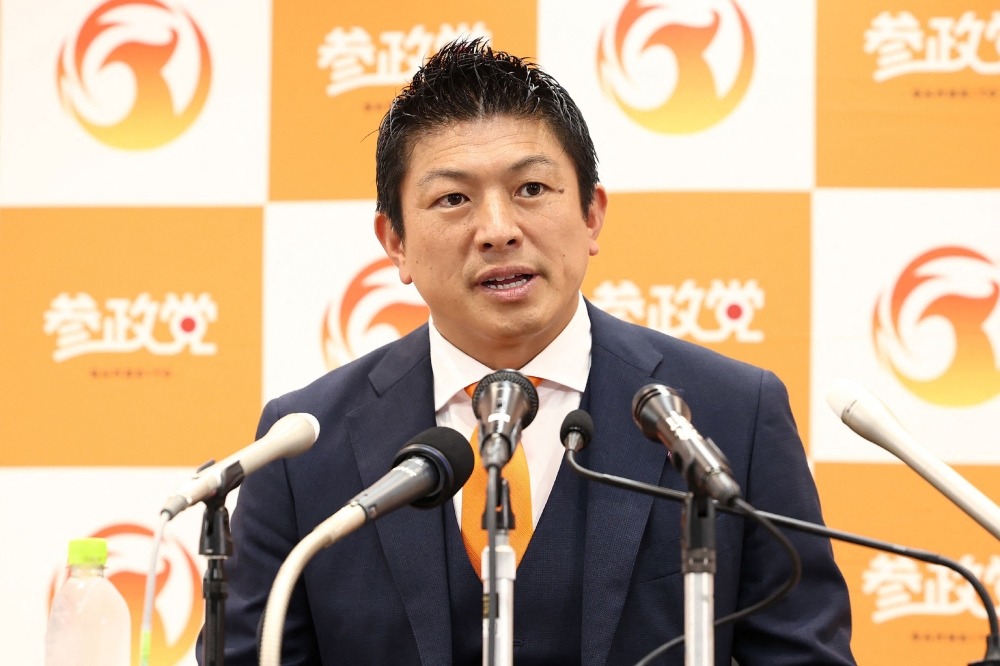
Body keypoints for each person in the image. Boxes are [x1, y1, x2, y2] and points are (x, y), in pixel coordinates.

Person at [201, 40, 855, 665]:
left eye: (531, 190)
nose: (498, 230)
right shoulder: (302, 447)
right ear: (395, 241)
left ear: (592, 214)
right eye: (453, 199)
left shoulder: (730, 414)